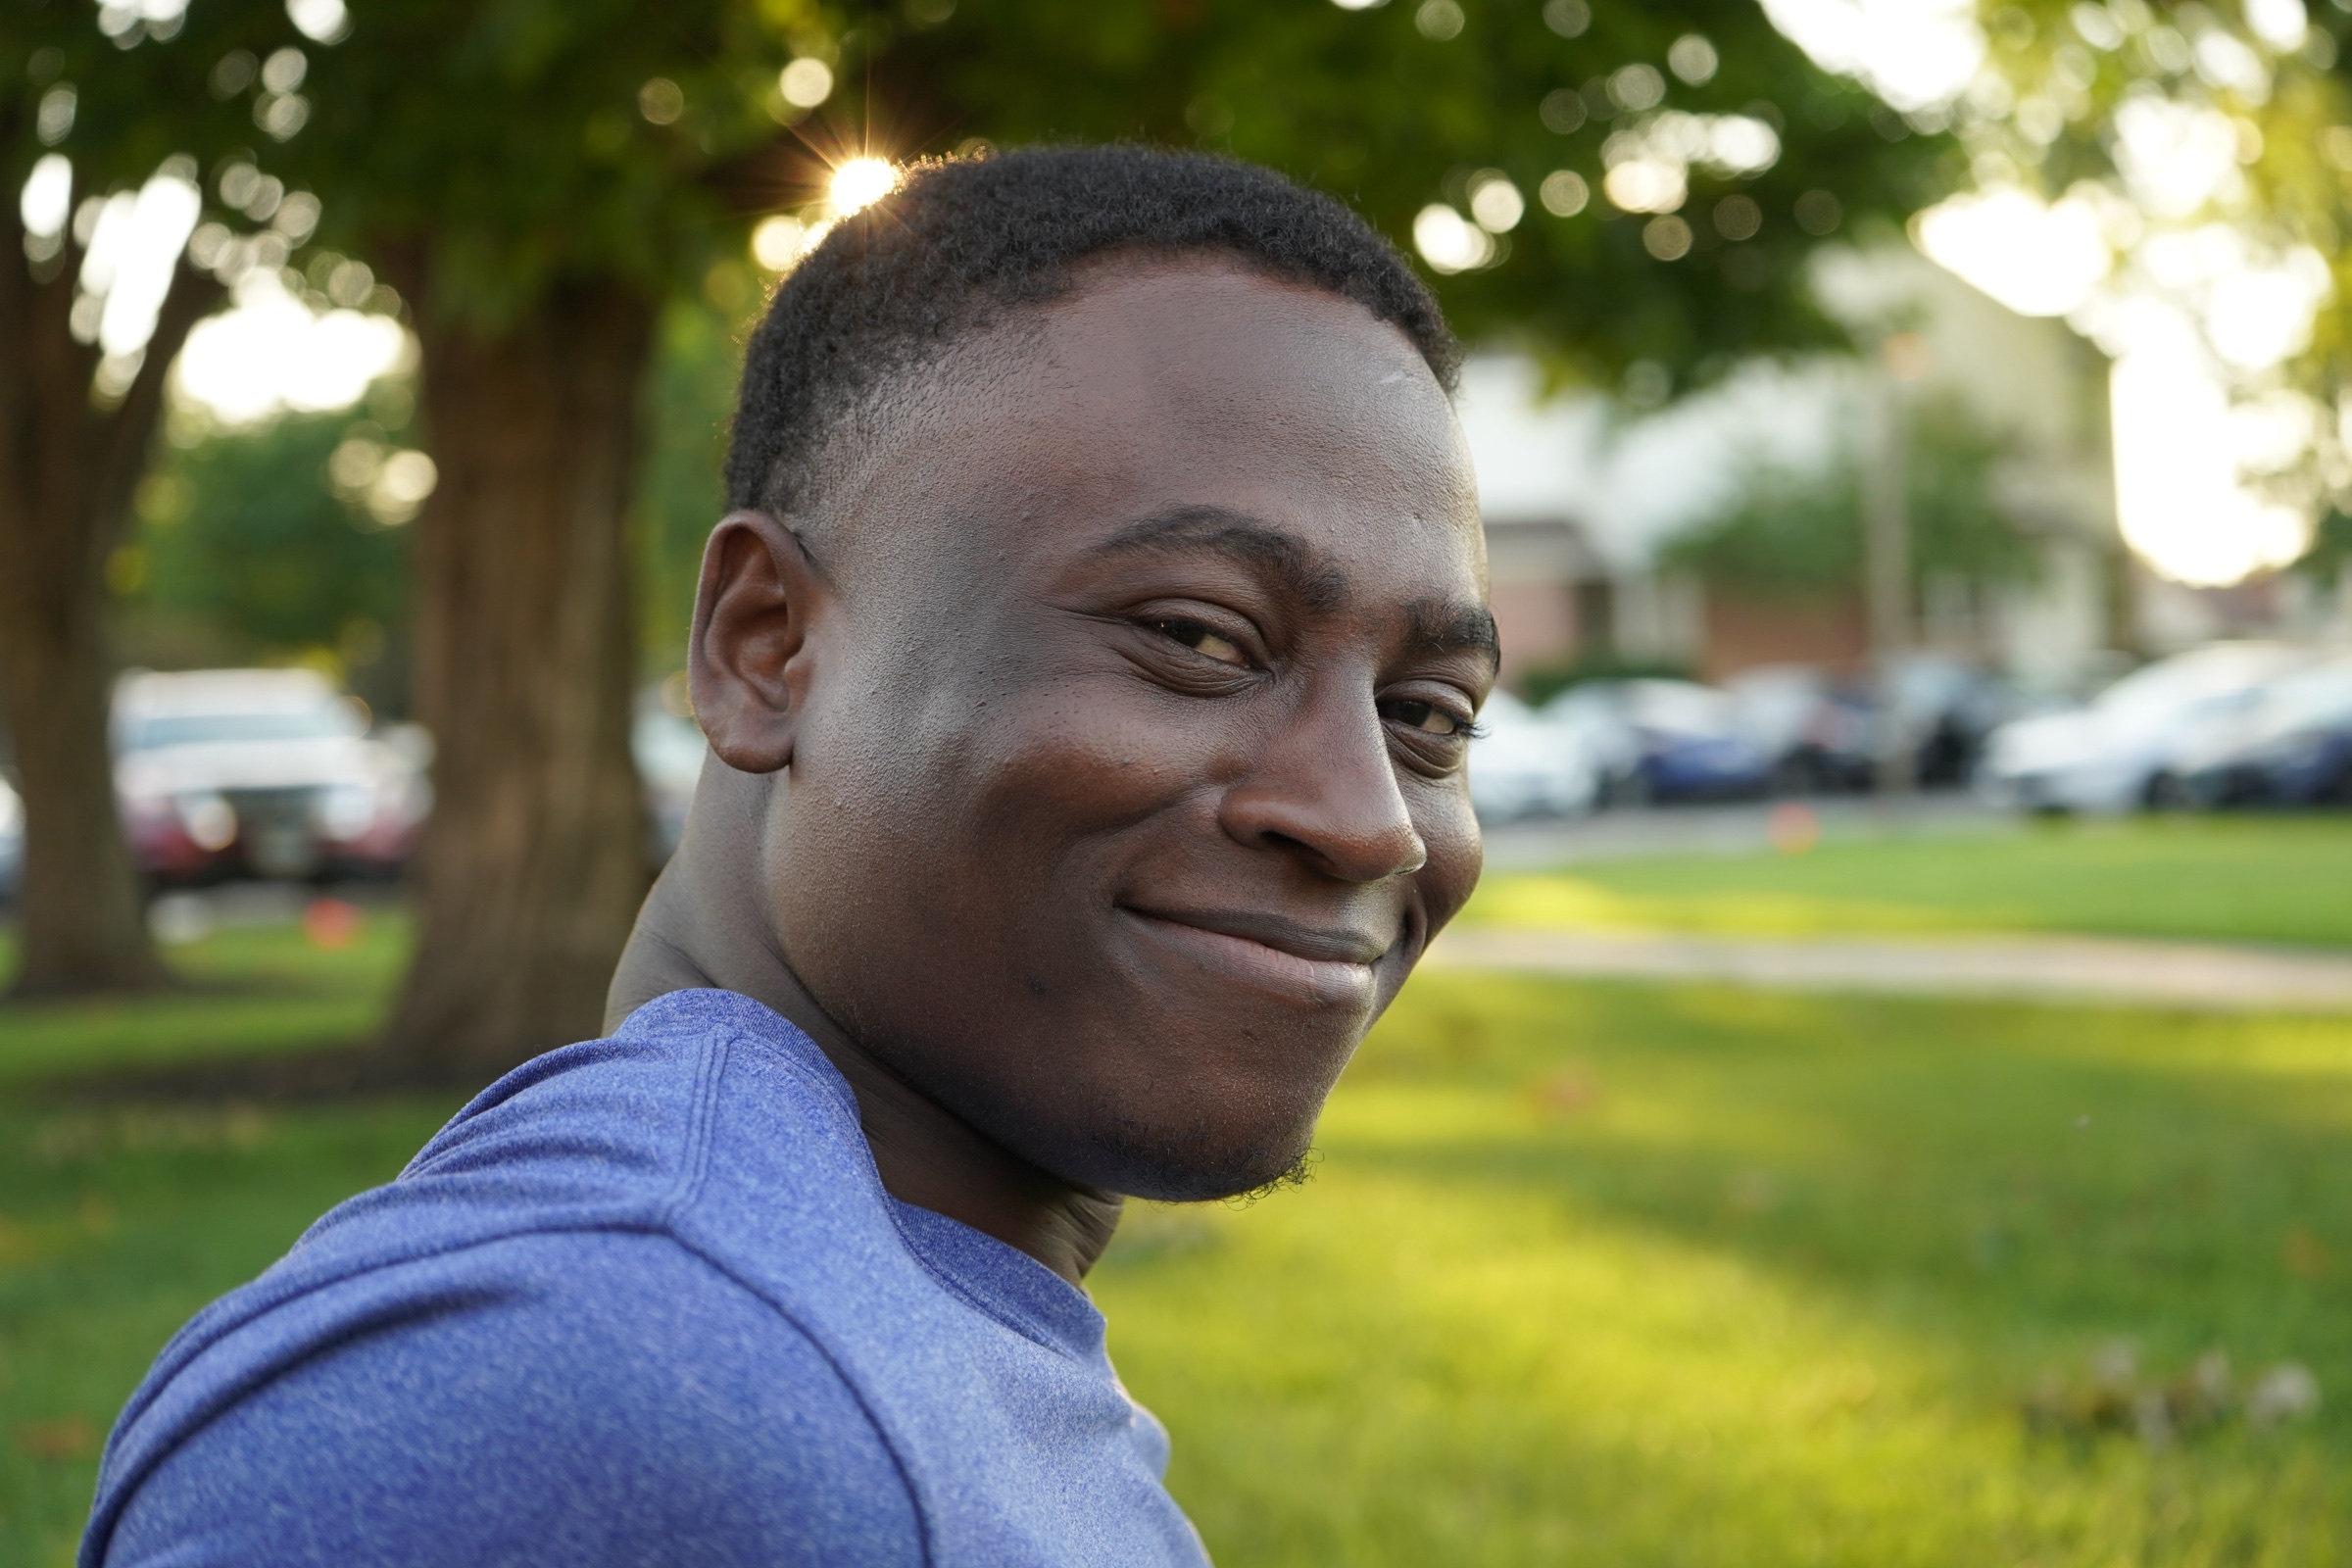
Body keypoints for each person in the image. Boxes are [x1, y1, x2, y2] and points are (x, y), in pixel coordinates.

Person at [82, 145, 1495, 1567]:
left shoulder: (827, 1333)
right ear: (765, 646)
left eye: (1429, 713)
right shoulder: (607, 1380)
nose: (1370, 818)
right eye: (1197, 636)